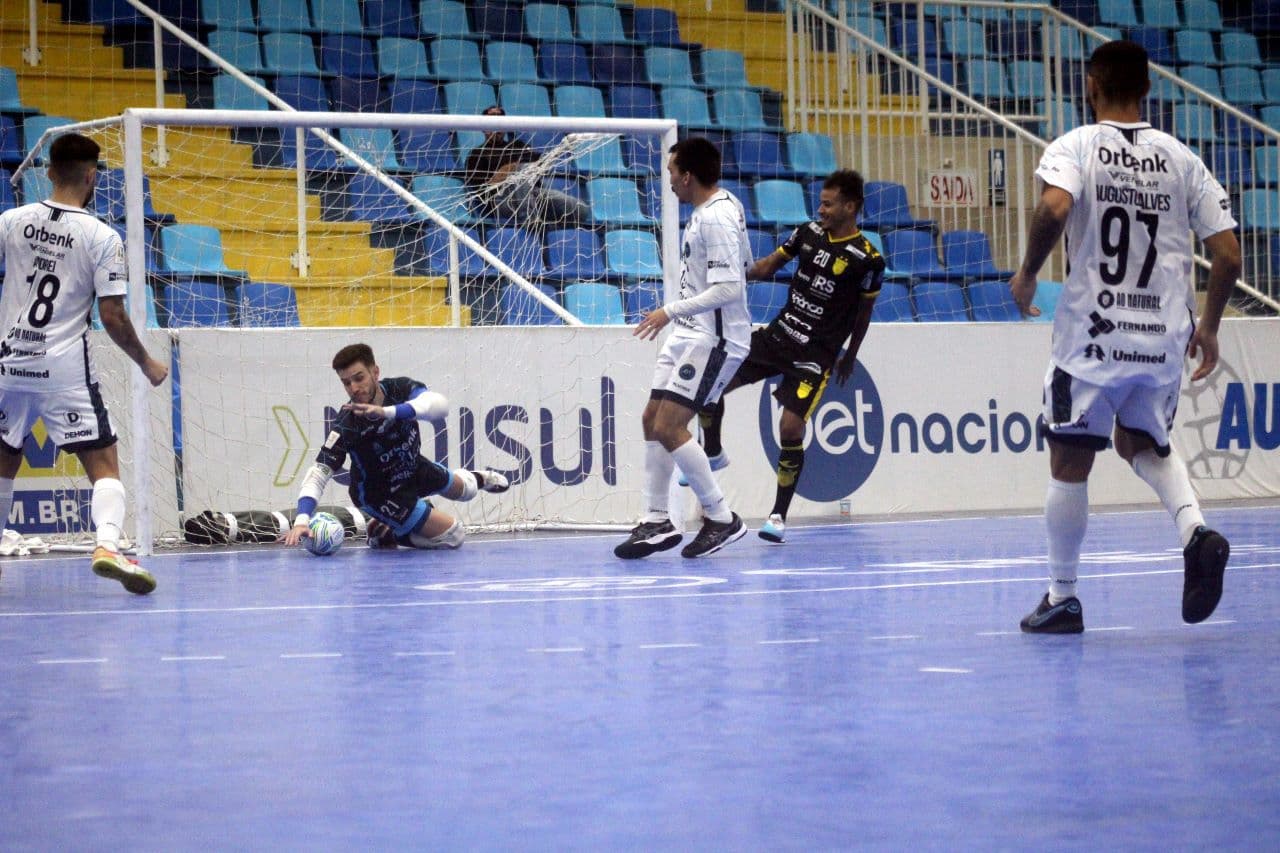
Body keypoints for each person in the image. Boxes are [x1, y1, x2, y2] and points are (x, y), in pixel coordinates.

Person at [1008, 40, 1241, 633]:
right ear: (1147, 89)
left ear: (1091, 85)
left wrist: (1029, 273)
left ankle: (1062, 597)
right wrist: (1210, 327)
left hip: (1093, 335)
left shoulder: (1078, 145)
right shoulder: (1182, 159)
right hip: (1162, 337)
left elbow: (1053, 209)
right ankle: (1195, 533)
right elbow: (1229, 255)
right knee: (1141, 442)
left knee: (1069, 457)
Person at [0, 133, 169, 594]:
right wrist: (146, 362)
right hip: (65, 371)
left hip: (9, 364)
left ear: (49, 172)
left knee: (4, 458)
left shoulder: (11, 221)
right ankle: (107, 545)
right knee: (103, 461)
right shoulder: (102, 237)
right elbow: (112, 316)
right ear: (92, 176)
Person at [682, 170, 885, 543]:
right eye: (820, 203)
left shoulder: (868, 260)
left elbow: (864, 314)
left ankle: (777, 515)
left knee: (790, 428)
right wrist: (728, 272)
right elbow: (764, 268)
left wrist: (850, 355)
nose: (820, 210)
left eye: (828, 204)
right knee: (711, 383)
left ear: (850, 207)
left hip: (816, 354)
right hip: (778, 335)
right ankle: (712, 451)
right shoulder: (807, 234)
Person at [614, 136, 752, 560]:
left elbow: (730, 287)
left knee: (670, 426)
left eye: (672, 173)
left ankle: (721, 517)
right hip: (689, 334)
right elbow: (746, 262)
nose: (669, 180)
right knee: (652, 419)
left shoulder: (717, 217)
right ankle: (657, 519)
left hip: (714, 339)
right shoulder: (712, 210)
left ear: (688, 176)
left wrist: (669, 311)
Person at [282, 343, 510, 551]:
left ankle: (478, 478)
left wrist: (387, 412)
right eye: (346, 383)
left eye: (359, 378)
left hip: (413, 467)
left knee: (467, 491)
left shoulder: (400, 389)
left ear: (375, 372)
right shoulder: (347, 424)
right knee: (454, 536)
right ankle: (385, 533)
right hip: (381, 495)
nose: (354, 388)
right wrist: (302, 520)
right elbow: (318, 474)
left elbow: (440, 407)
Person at [462, 105, 591, 233]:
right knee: (522, 168)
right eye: (492, 120)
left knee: (580, 210)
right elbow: (481, 191)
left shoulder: (518, 145)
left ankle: (549, 230)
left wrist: (560, 149)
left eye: (500, 120)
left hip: (533, 194)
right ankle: (528, 219)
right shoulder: (477, 154)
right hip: (501, 200)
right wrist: (505, 174)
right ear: (483, 128)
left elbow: (541, 162)